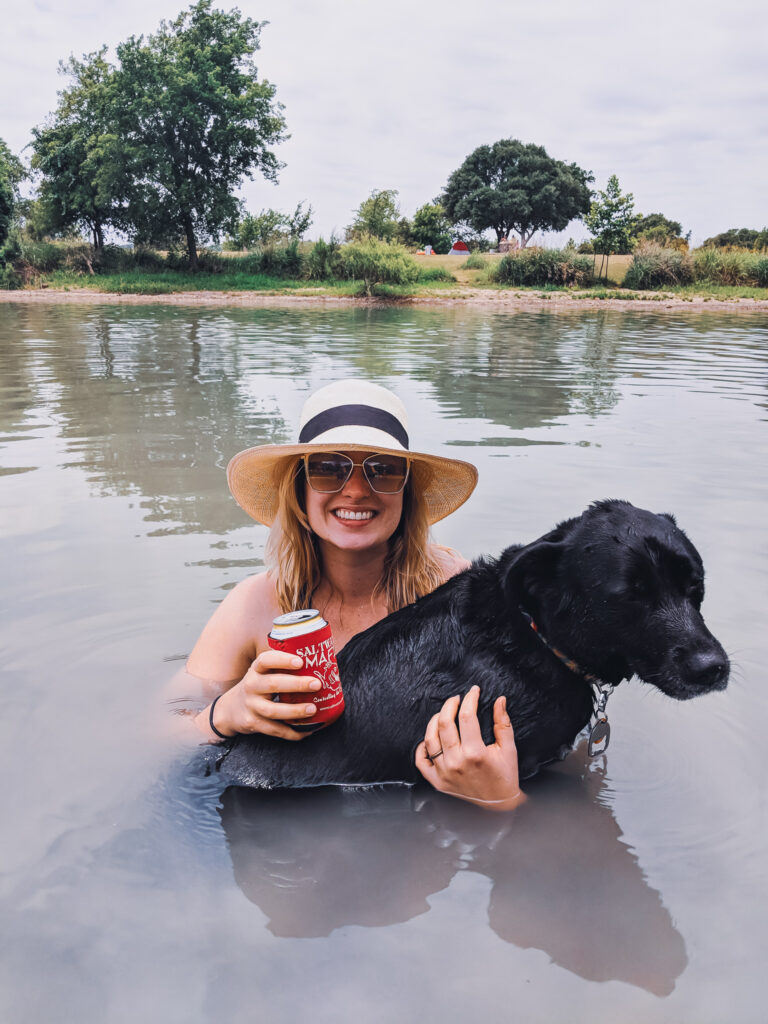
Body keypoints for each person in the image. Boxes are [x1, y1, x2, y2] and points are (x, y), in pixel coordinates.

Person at [187, 379, 524, 812]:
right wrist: (226, 711)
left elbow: (529, 729)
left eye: (382, 469)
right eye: (329, 467)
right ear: (299, 489)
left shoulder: (458, 594)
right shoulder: (254, 604)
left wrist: (505, 801)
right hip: (294, 828)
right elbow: (160, 737)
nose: (356, 490)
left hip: (422, 834)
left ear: (407, 492)